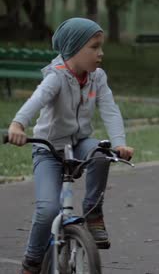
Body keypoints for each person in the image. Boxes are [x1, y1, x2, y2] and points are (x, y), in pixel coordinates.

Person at [6, 18, 134, 274]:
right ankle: (32, 262)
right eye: (94, 47)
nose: (101, 53)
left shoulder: (97, 78)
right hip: (49, 148)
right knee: (48, 209)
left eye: (101, 47)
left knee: (101, 153)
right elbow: (36, 100)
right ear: (74, 49)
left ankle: (93, 212)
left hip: (78, 143)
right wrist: (17, 125)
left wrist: (119, 144)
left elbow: (110, 109)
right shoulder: (57, 78)